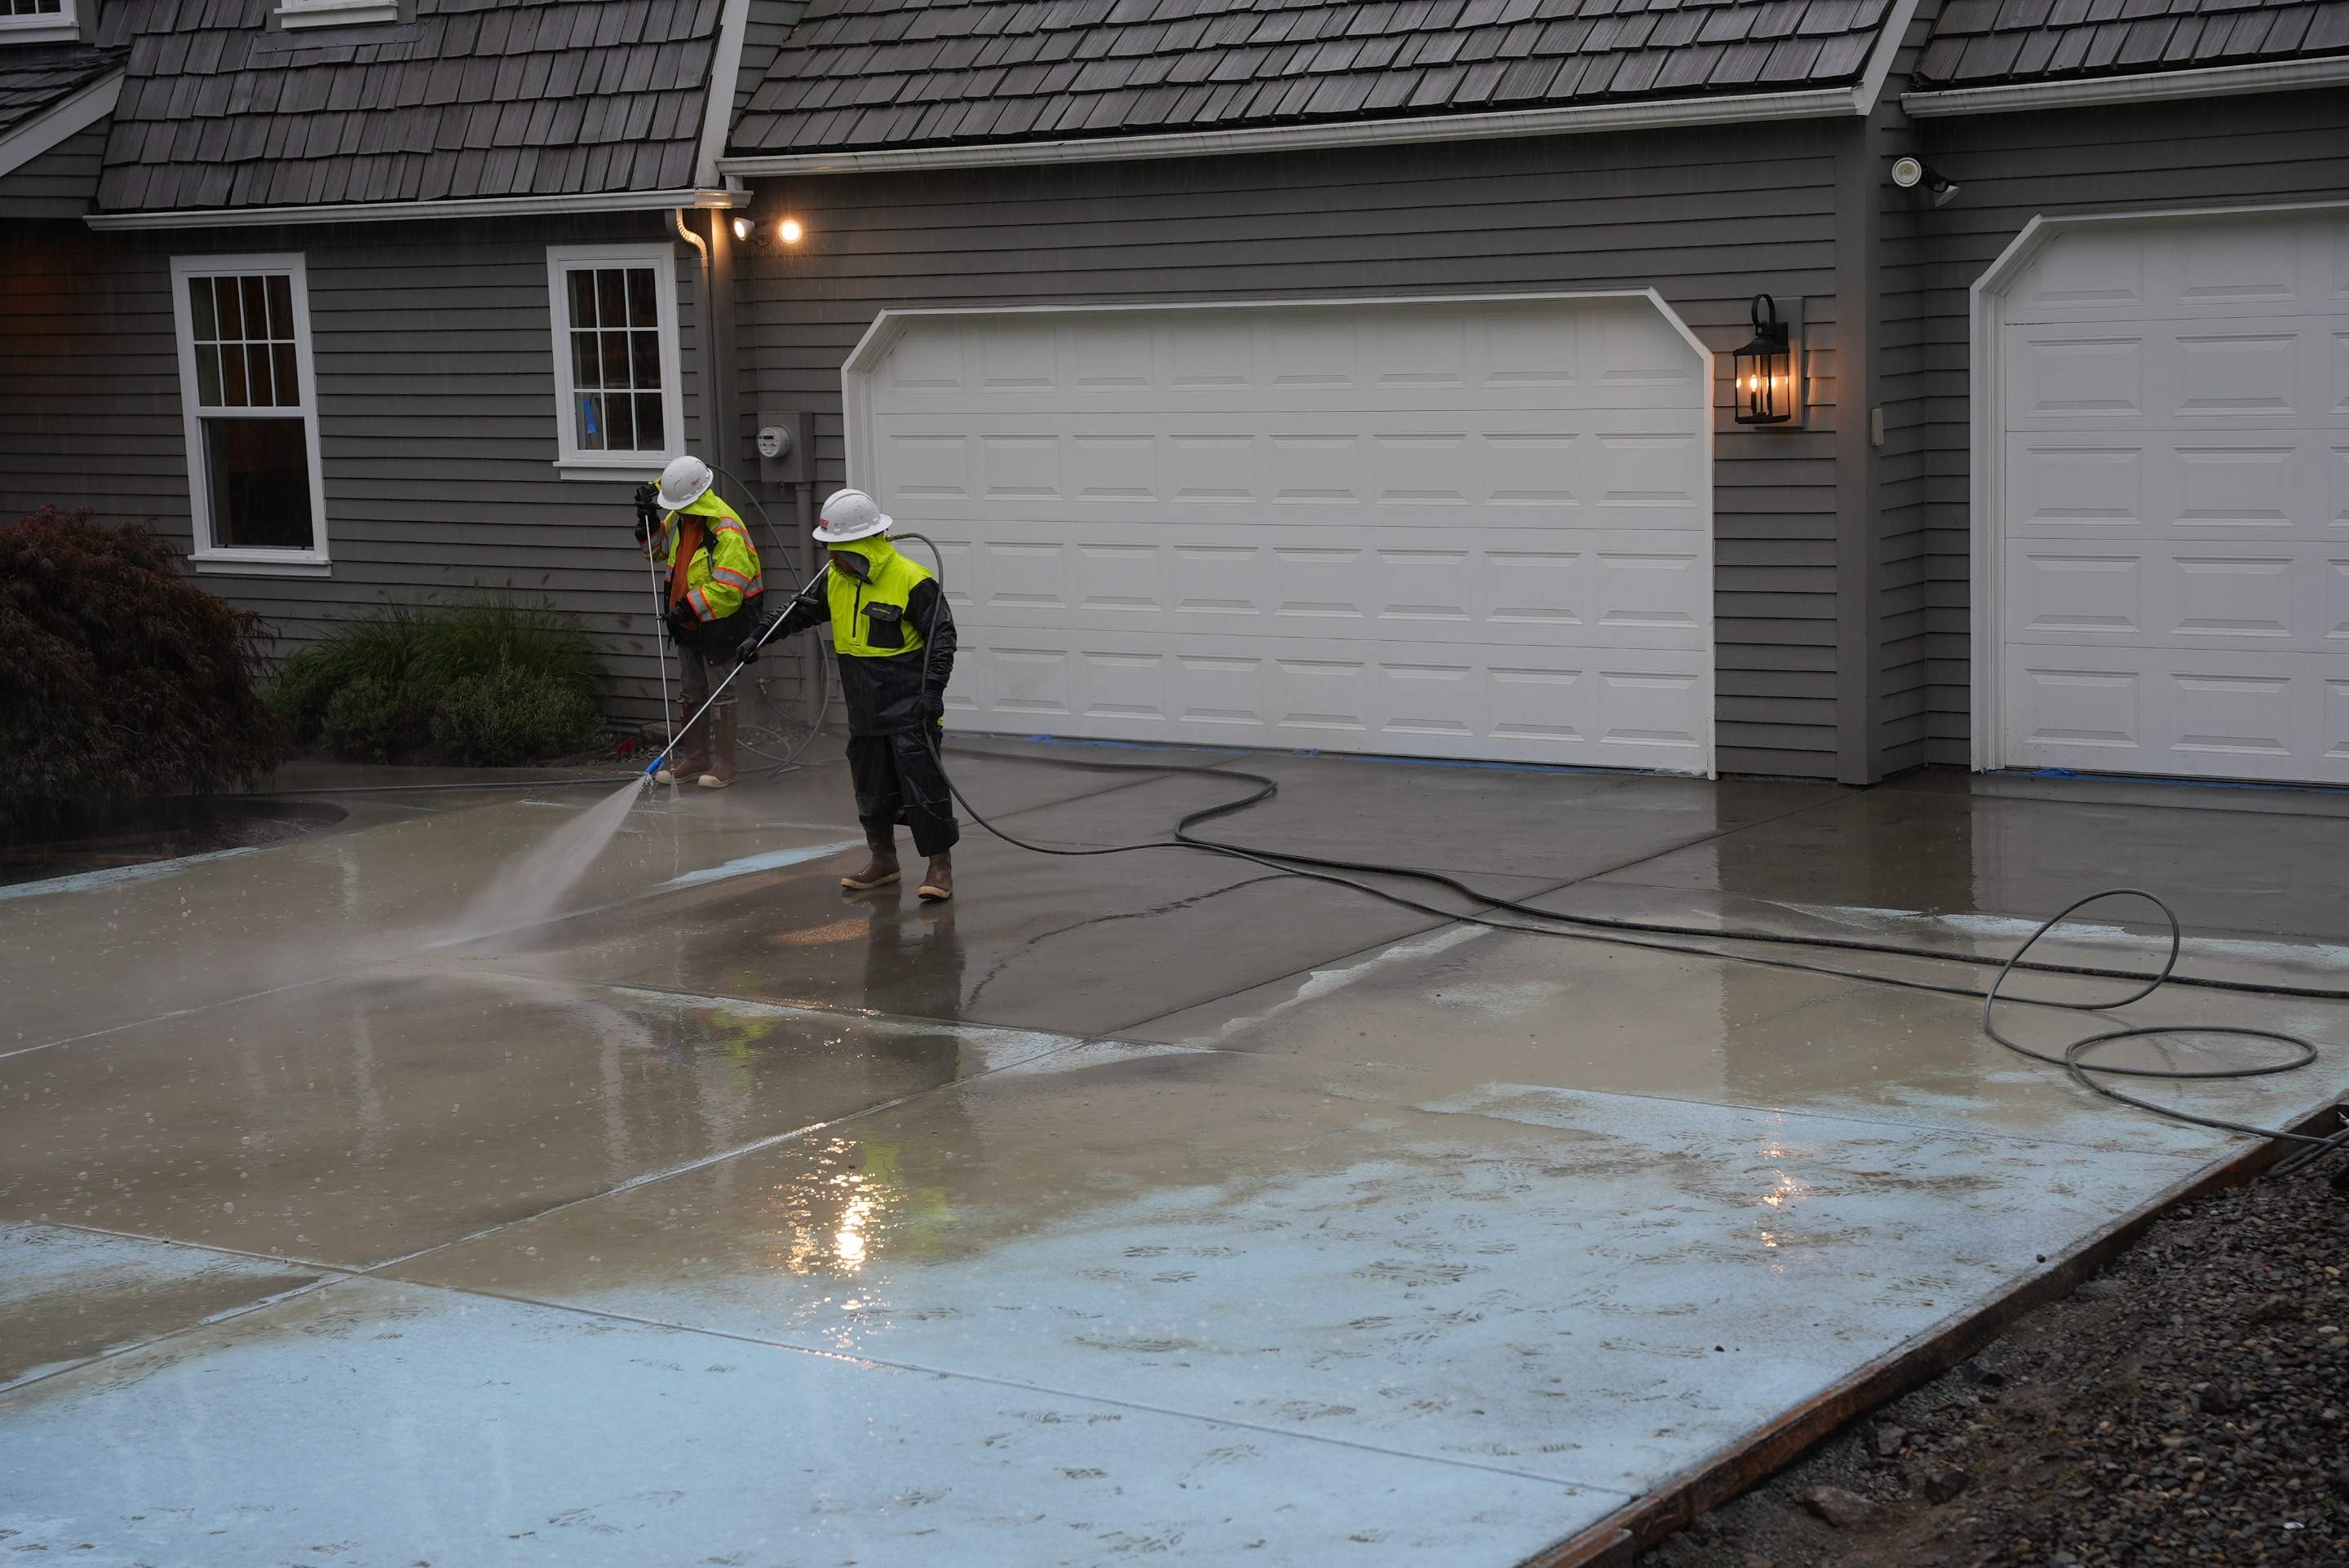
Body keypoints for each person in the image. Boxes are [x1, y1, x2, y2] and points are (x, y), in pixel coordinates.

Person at [737, 488, 958, 902]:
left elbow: (941, 642)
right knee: (871, 788)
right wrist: (758, 636)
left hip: (910, 706)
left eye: (835, 548)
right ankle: (883, 861)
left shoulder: (913, 580)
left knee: (923, 789)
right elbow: (798, 611)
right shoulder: (836, 580)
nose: (829, 557)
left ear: (860, 544)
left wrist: (933, 696)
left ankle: (939, 868)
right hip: (864, 704)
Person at [637, 454, 762, 789]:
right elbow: (655, 553)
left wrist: (687, 608)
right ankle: (696, 757)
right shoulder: (681, 518)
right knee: (691, 690)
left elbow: (729, 588)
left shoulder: (725, 528)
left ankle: (725, 763)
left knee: (720, 690)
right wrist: (647, 521)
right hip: (688, 622)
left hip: (722, 623)